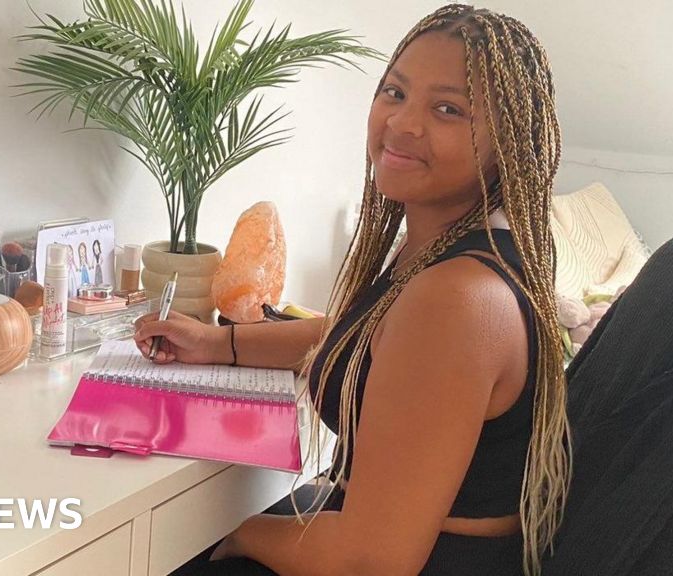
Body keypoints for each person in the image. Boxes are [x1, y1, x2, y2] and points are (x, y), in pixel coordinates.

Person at [134, 5, 568, 575]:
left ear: (508, 140)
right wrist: (218, 343)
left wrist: (235, 532)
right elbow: (372, 338)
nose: (403, 123)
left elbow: (369, 561)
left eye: (447, 109)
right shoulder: (451, 248)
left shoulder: (458, 298)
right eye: (395, 93)